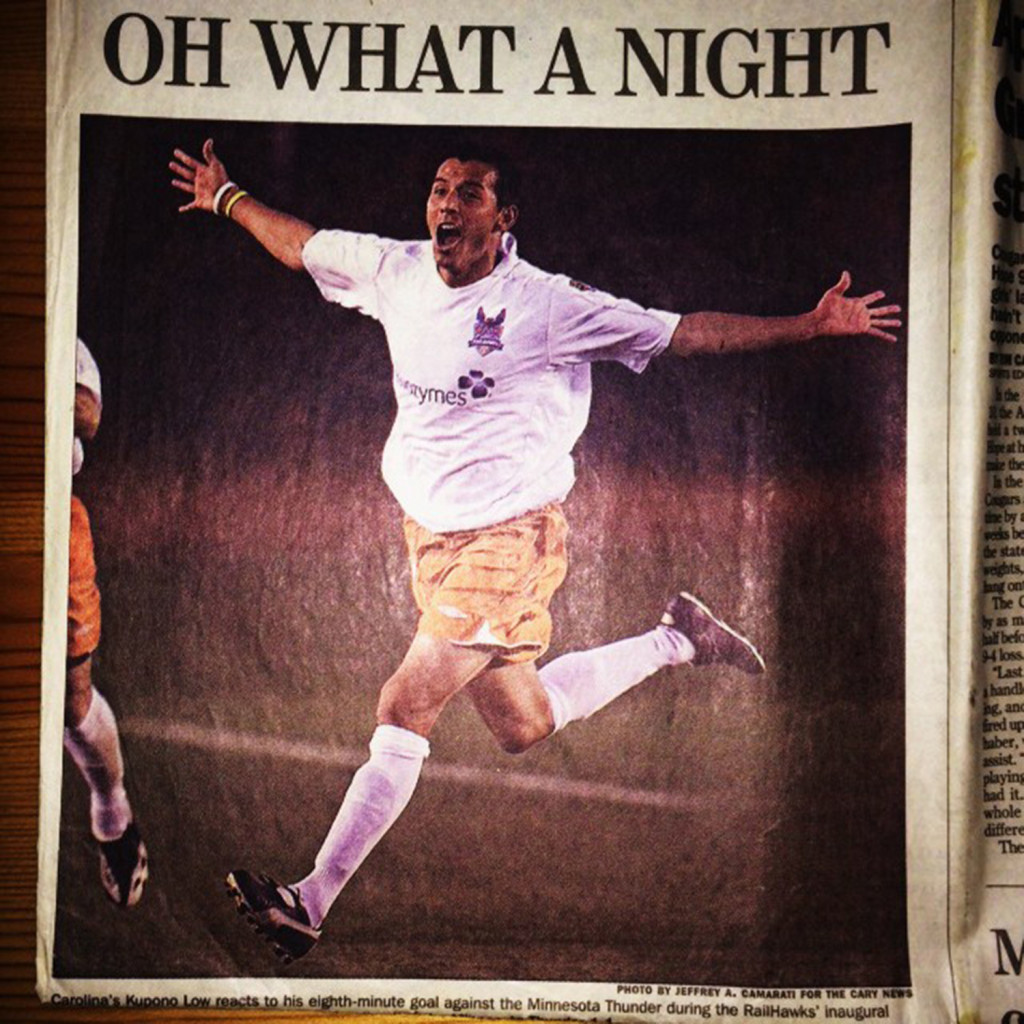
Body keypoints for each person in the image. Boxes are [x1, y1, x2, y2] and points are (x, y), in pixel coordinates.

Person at [170, 139, 900, 962]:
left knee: (405, 704)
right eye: (439, 189)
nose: (447, 204)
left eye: (469, 193)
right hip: (431, 539)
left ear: (503, 218)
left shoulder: (548, 305)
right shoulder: (395, 271)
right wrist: (226, 196)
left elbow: (683, 334)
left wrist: (810, 324)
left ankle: (309, 900)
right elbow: (303, 246)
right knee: (524, 723)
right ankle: (679, 638)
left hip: (509, 540)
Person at [64, 338, 148, 908]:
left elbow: (86, 413)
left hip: (49, 514)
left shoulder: (43, 324)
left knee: (72, 700)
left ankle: (112, 814)